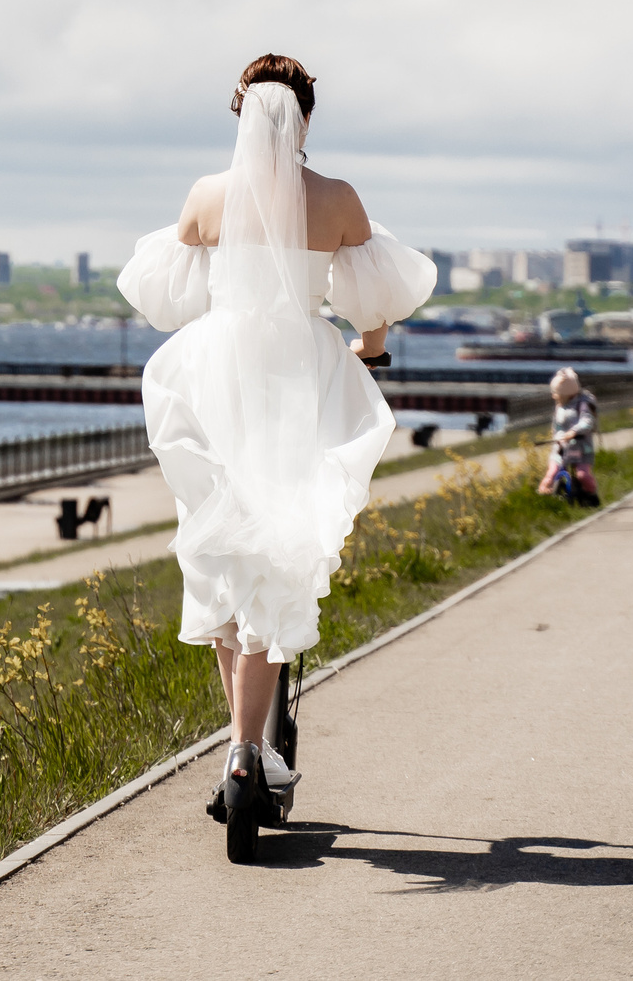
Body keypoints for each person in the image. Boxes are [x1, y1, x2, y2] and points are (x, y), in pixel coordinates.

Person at [119, 55, 437, 812]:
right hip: (298, 379)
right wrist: (370, 346)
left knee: (225, 554)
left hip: (214, 377)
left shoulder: (206, 196)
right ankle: (249, 749)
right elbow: (374, 302)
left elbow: (170, 296)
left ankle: (244, 748)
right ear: (305, 119)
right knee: (274, 555)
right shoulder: (336, 199)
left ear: (238, 113)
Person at [538, 367, 598, 501]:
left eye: (556, 393)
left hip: (581, 448)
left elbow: (587, 421)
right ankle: (542, 497)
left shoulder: (582, 404)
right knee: (551, 474)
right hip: (561, 448)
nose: (554, 396)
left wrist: (574, 431)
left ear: (566, 394)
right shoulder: (559, 406)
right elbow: (557, 428)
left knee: (583, 475)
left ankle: (592, 495)